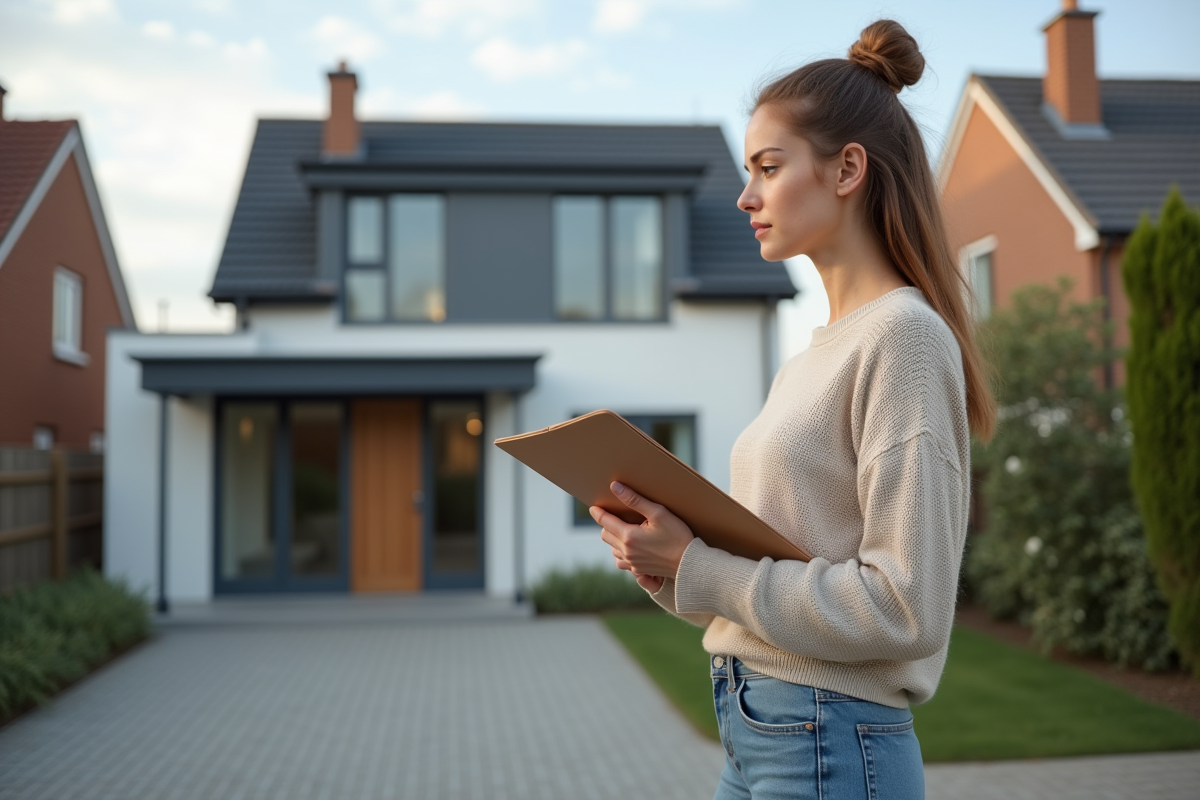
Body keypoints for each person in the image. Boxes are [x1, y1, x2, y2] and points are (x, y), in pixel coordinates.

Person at [590, 19, 996, 800]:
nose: (746, 196)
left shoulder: (904, 339)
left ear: (847, 169)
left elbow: (905, 608)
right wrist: (666, 566)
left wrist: (699, 566)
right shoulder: (813, 355)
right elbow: (765, 573)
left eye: (768, 168)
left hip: (827, 736)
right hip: (760, 727)